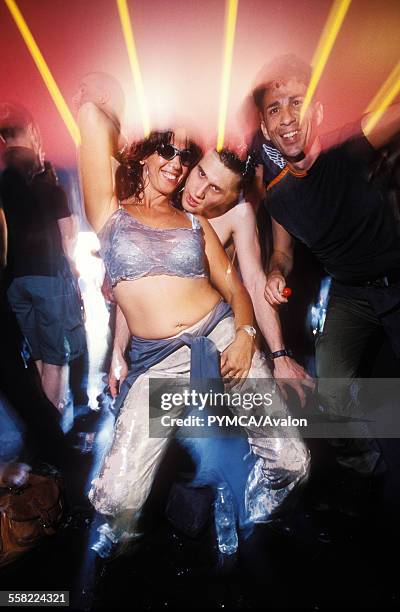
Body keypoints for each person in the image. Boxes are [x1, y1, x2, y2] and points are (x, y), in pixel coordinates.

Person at [76, 96, 310, 554]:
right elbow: (90, 114)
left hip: (221, 336)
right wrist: (118, 353)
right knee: (116, 496)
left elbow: (239, 290)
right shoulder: (109, 212)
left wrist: (247, 338)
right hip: (159, 363)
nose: (177, 163)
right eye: (166, 150)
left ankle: (246, 503)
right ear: (142, 154)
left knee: (292, 460)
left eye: (185, 156)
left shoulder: (193, 221)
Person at [252, 54, 400, 505]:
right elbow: (282, 252)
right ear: (264, 128)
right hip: (350, 294)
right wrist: (276, 273)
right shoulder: (278, 194)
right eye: (274, 109)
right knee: (331, 392)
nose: (287, 117)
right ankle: (365, 476)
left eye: (297, 102)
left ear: (316, 110)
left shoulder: (353, 148)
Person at [110, 147, 314, 405]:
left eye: (216, 189)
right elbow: (134, 281)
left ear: (233, 196)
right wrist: (118, 350)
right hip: (162, 350)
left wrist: (279, 355)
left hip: (222, 336)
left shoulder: (238, 214)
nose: (198, 192)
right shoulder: (165, 193)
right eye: (200, 174)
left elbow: (252, 282)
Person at [0, 103, 86, 413]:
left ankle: (43, 418)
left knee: (36, 353)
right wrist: (74, 273)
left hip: (13, 281)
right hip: (47, 277)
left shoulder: (4, 183)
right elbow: (68, 237)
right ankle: (50, 431)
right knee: (55, 357)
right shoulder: (49, 187)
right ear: (33, 132)